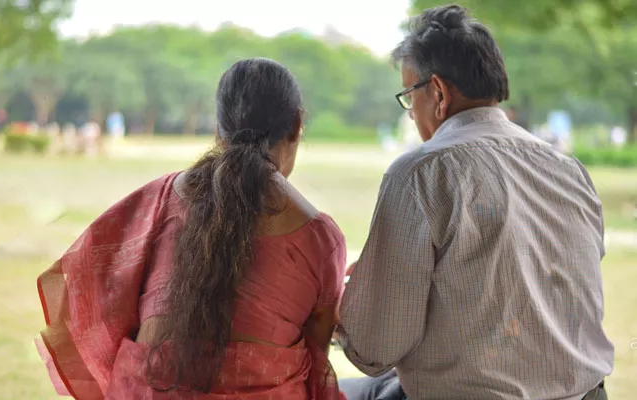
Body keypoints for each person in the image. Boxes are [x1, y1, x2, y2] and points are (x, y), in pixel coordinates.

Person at [336, 5, 613, 400]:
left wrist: (351, 302)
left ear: (438, 93)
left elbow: (375, 350)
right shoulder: (568, 169)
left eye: (408, 96)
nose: (411, 115)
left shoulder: (421, 173)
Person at [36, 58, 347, 399]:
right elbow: (317, 362)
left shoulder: (160, 199)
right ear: (297, 125)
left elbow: (95, 283)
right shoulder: (319, 236)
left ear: (219, 128)